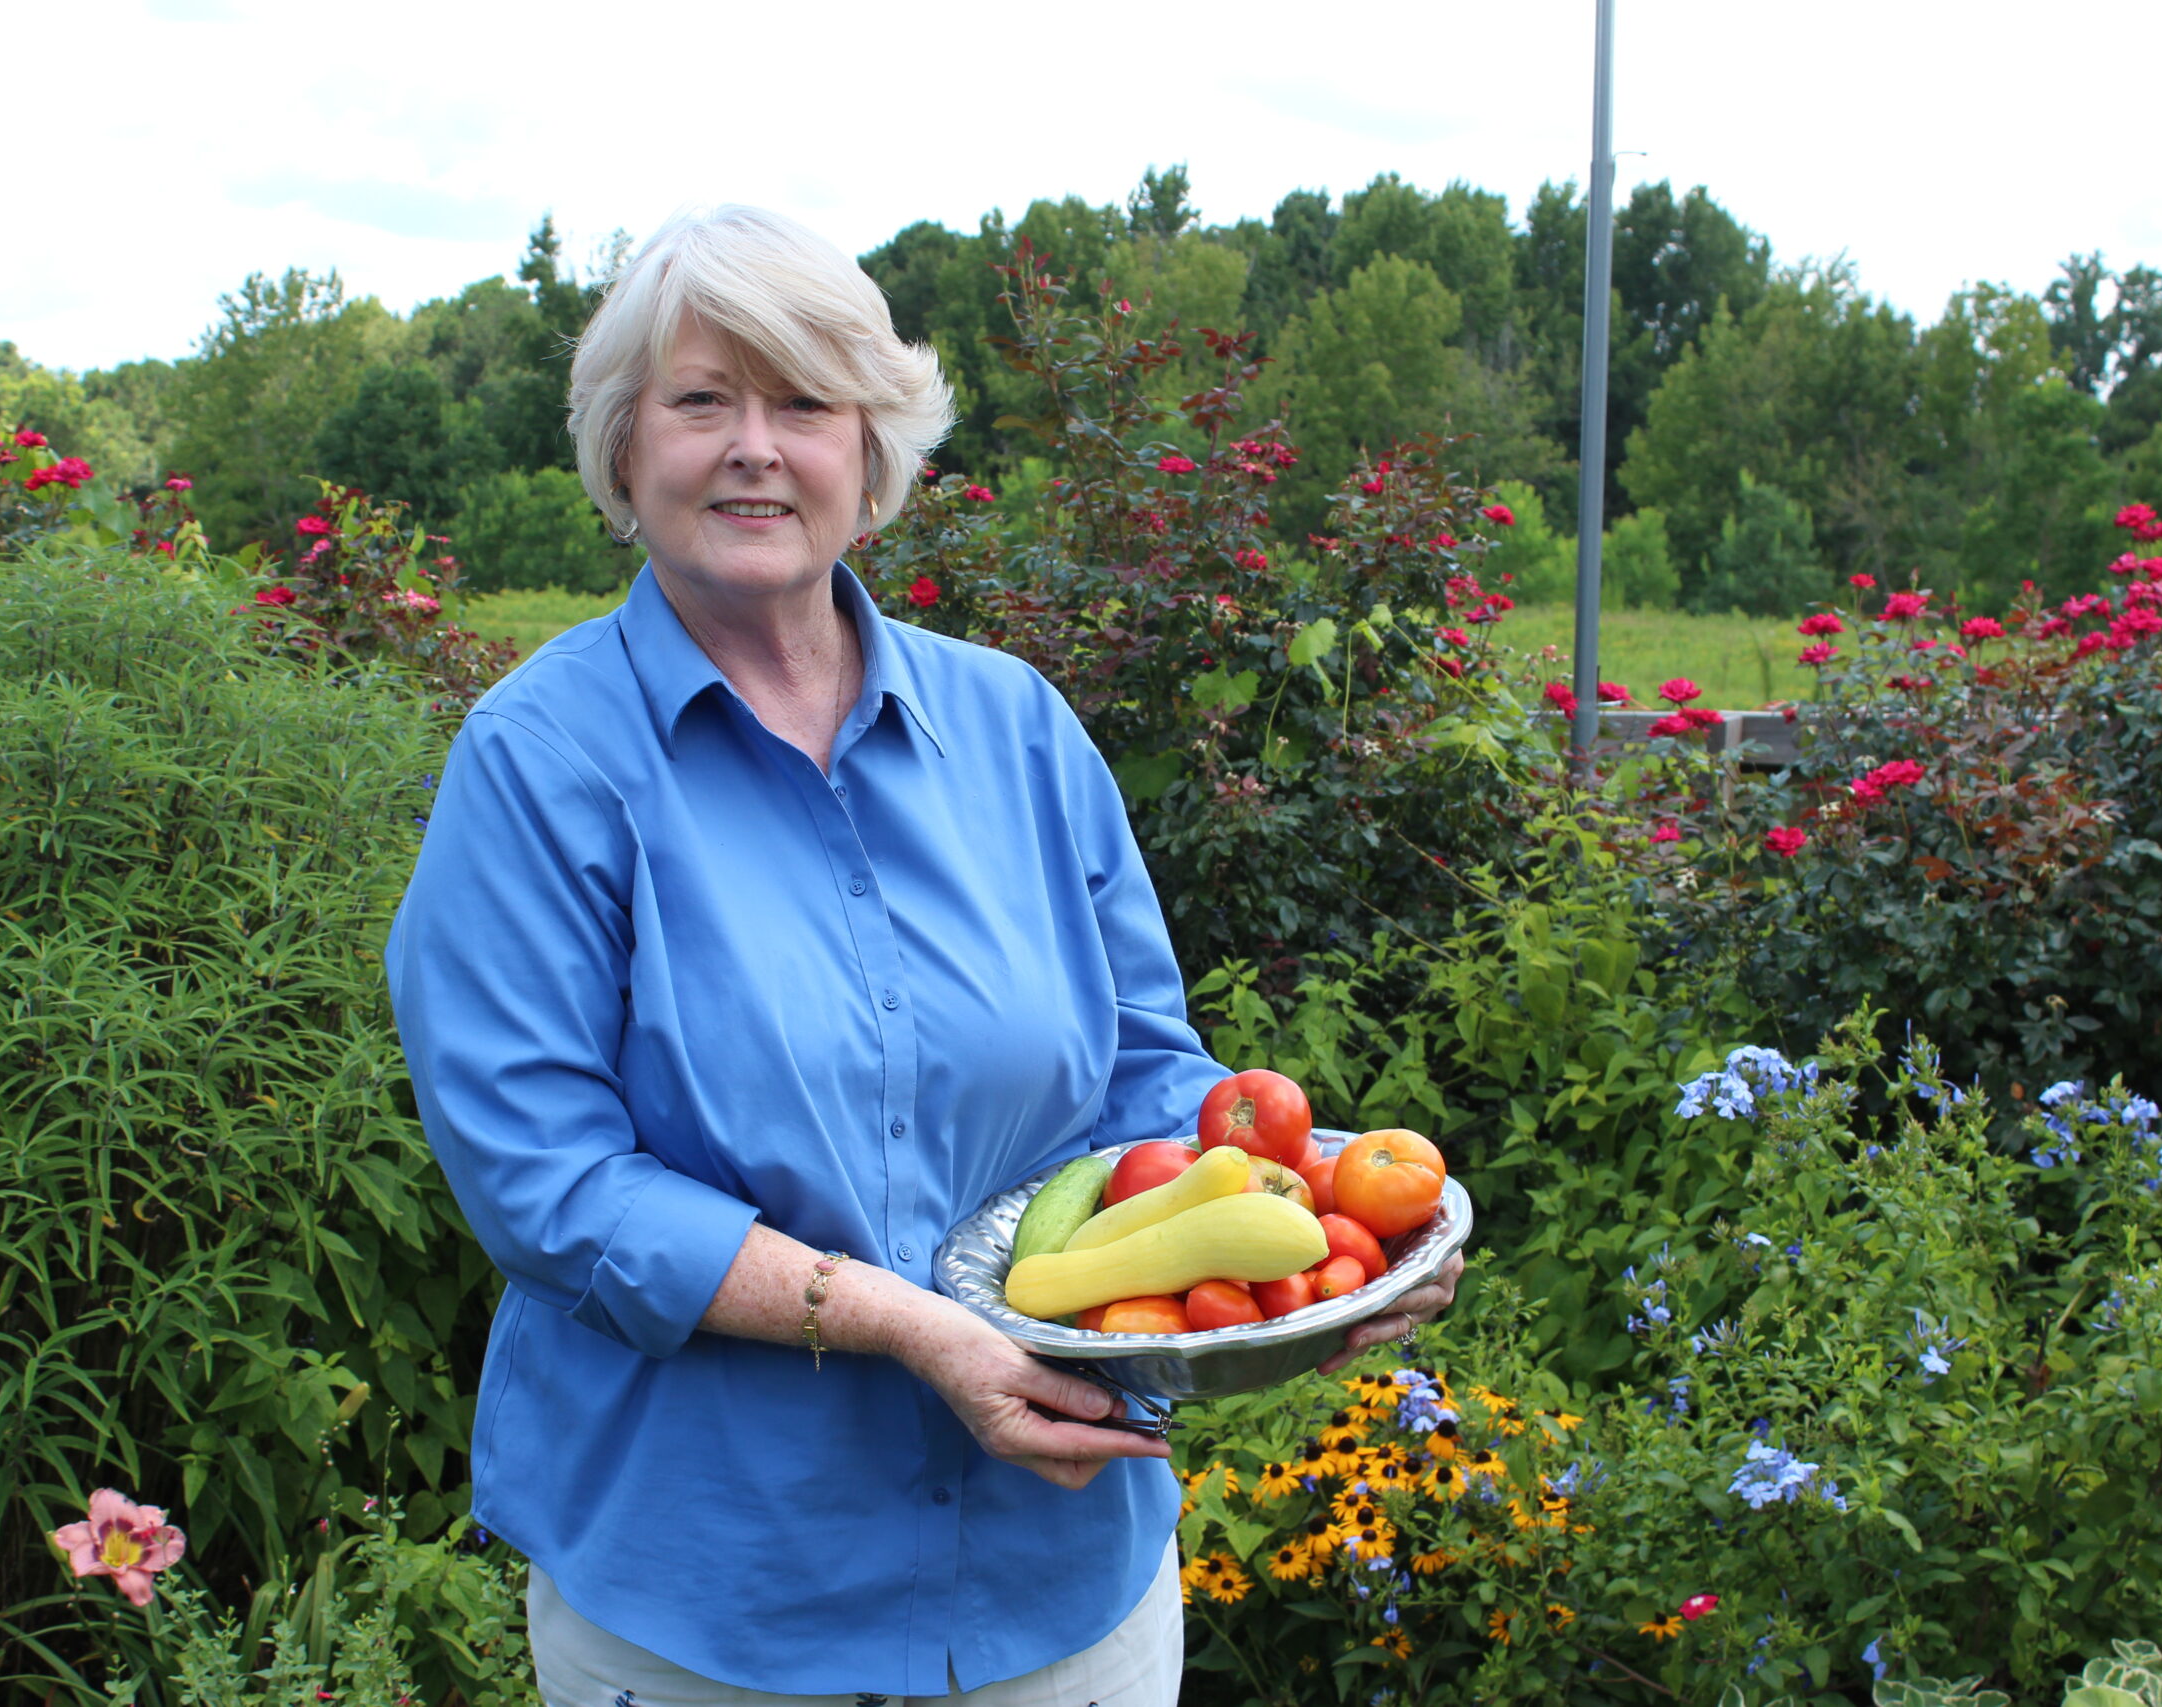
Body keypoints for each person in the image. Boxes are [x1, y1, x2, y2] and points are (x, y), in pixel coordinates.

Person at [384, 204, 1461, 1707]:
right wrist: (906, 1326)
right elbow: (547, 1183)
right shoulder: (539, 763)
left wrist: (1326, 1256)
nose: (756, 447)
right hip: (719, 1606)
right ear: (626, 454)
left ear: (871, 459)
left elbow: (1147, 1078)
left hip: (1064, 1581)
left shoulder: (1017, 729)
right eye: (703, 401)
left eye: (806, 404)